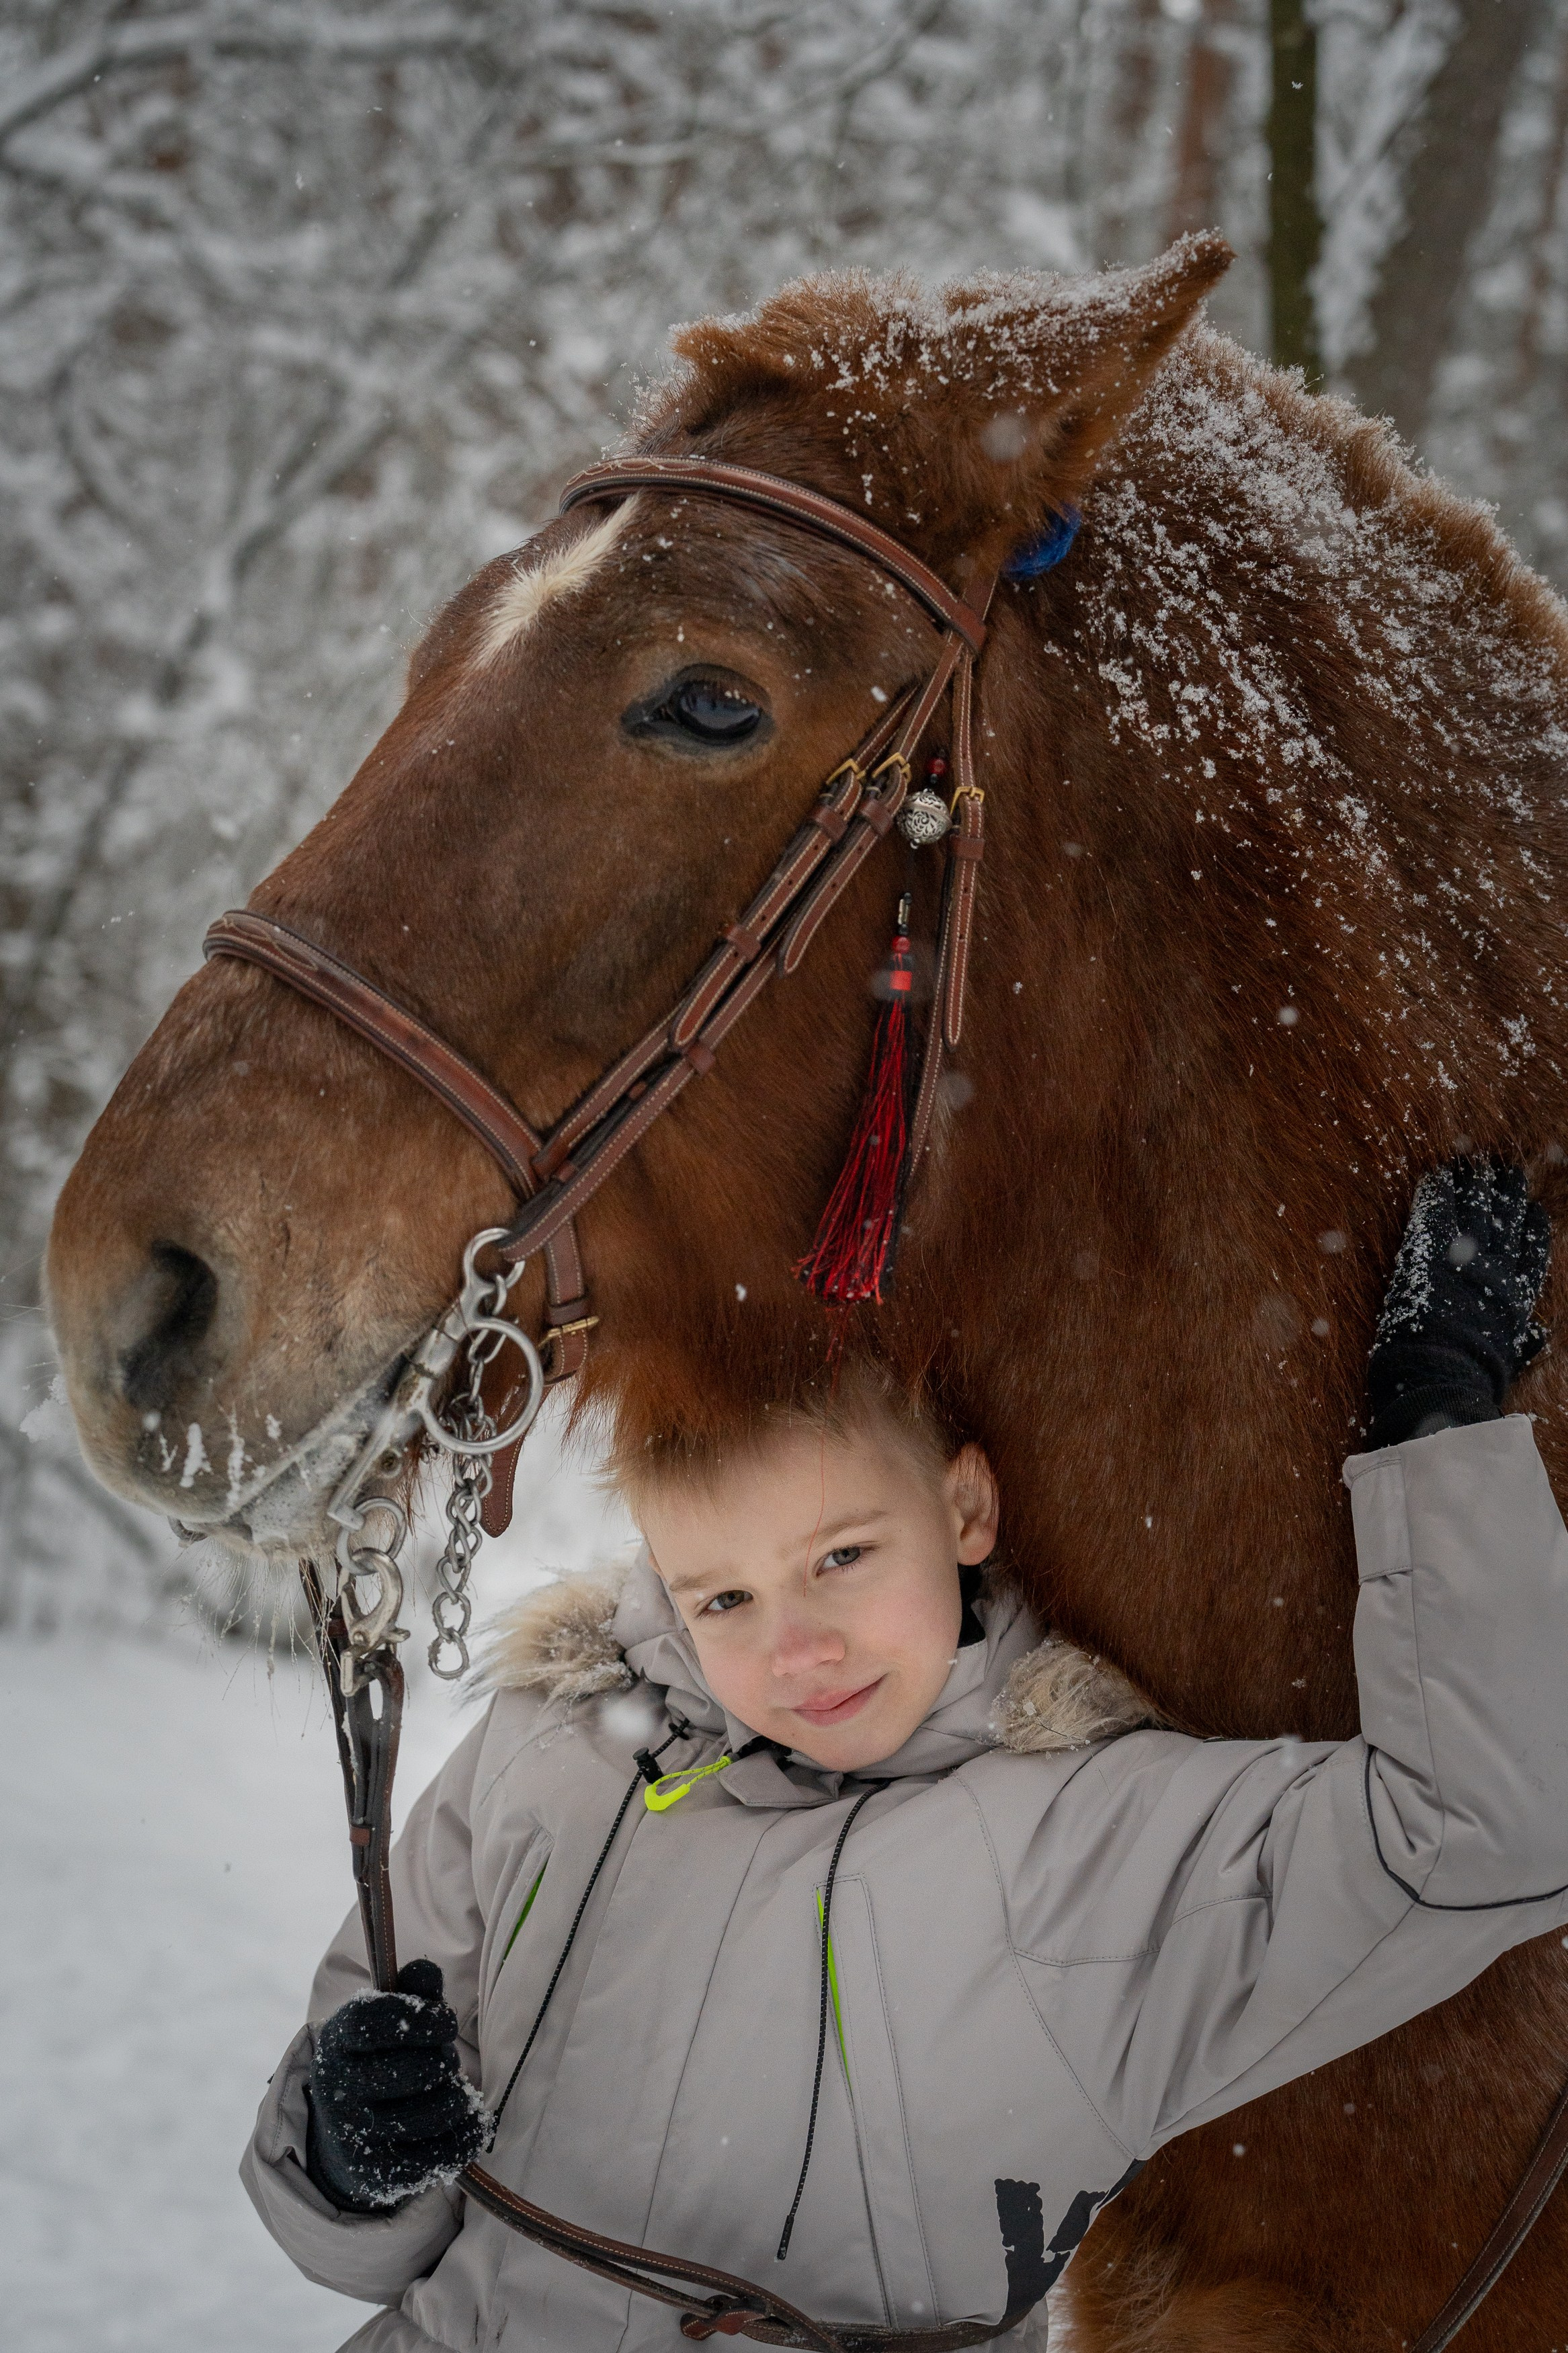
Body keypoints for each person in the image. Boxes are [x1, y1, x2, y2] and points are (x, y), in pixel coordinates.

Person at [243, 1159, 1568, 2353]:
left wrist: (1438, 1433)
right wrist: (348, 2156)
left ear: (965, 1506)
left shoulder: (1102, 1842)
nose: (797, 1650)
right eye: (723, 1597)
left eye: (841, 1557)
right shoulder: (548, 1754)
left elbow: (1479, 1834)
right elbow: (351, 2237)